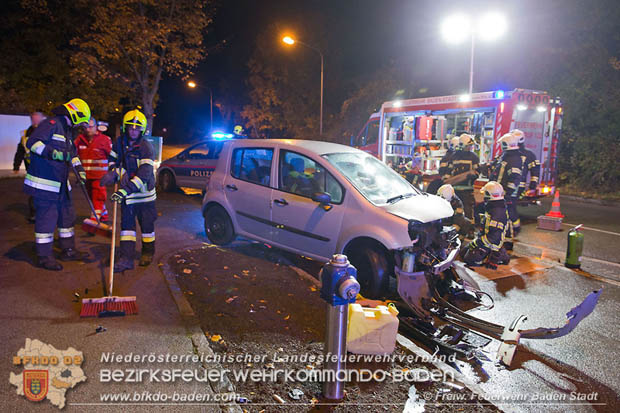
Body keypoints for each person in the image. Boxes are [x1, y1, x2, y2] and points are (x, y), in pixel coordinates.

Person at [24, 99, 91, 270]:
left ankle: (68, 250)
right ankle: (44, 257)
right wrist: (53, 153)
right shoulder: (51, 124)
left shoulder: (68, 131)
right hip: (45, 184)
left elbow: (72, 155)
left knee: (67, 217)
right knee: (47, 221)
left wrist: (80, 170)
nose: (83, 125)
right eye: (83, 121)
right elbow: (32, 143)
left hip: (61, 185)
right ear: (77, 115)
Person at [101, 109, 157, 272]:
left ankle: (148, 253)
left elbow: (144, 174)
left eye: (136, 128)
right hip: (128, 196)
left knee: (147, 229)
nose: (133, 130)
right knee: (127, 229)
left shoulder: (146, 147)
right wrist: (116, 172)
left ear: (142, 129)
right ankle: (126, 258)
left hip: (144, 196)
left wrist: (125, 191)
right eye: (131, 127)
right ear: (126, 127)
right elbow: (112, 160)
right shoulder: (119, 142)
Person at [490, 132, 526, 250]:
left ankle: (508, 242)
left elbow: (515, 177)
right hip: (501, 194)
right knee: (500, 216)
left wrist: (507, 193)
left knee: (507, 217)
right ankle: (502, 240)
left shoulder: (513, 159)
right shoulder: (508, 157)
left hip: (505, 194)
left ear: (506, 145)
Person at [461, 181, 510, 267]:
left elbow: (493, 238)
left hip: (490, 244)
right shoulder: (494, 206)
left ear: (489, 195)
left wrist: (476, 243)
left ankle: (498, 254)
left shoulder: (497, 212)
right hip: (485, 239)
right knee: (462, 252)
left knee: (469, 259)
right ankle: (496, 253)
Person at [75, 117, 113, 222]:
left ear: (96, 127)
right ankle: (103, 216)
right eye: (86, 127)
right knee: (92, 198)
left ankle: (94, 220)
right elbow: (73, 152)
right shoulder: (80, 139)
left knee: (98, 198)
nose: (88, 129)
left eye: (91, 127)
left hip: (100, 176)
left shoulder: (105, 140)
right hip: (86, 176)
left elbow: (112, 156)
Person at [13, 111, 46, 222]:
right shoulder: (25, 134)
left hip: (46, 168)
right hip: (32, 168)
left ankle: (46, 213)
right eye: (33, 119)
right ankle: (34, 214)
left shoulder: (48, 132)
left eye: (37, 119)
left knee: (46, 191)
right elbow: (20, 151)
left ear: (42, 119)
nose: (35, 121)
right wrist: (16, 166)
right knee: (34, 192)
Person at [448, 134, 480, 219]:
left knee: (468, 210)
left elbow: (477, 172)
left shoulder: (473, 157)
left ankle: (469, 229)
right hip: (455, 190)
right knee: (455, 210)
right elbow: (448, 171)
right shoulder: (454, 156)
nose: (470, 148)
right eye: (468, 146)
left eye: (470, 146)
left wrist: (472, 176)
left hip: (467, 190)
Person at [511, 129, 541, 197]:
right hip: (519, 188)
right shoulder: (530, 154)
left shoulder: (507, 154)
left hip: (507, 188)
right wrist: (532, 187)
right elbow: (535, 173)